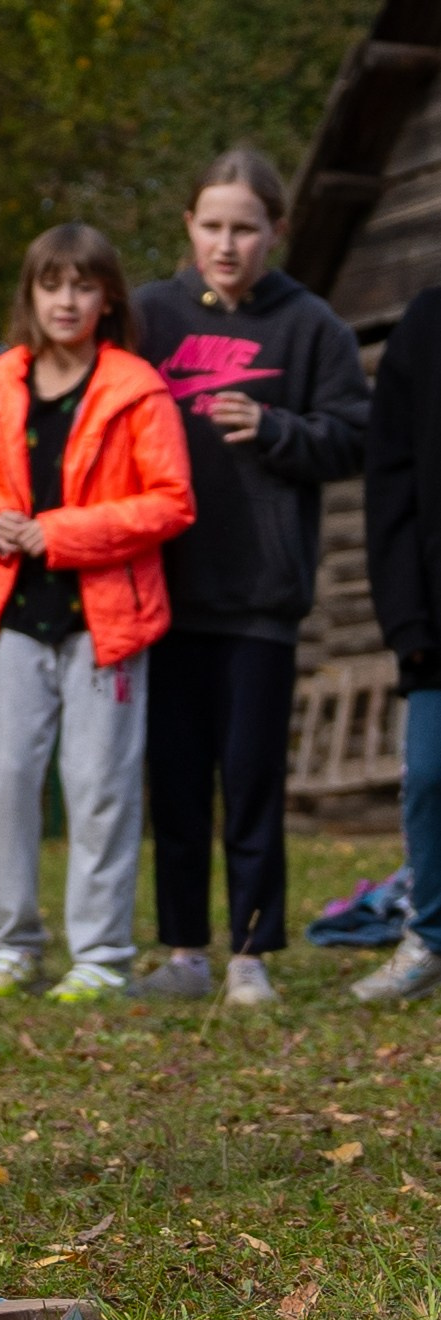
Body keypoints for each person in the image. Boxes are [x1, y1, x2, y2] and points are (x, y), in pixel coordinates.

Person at [132, 148, 369, 1006]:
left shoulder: (311, 326)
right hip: (164, 591)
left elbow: (353, 436)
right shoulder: (149, 316)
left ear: (276, 231)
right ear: (188, 228)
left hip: (262, 597)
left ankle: (250, 955)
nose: (226, 244)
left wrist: (273, 427)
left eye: (244, 227)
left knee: (252, 777)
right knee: (178, 779)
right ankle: (185, 951)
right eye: (211, 226)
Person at [0, 225, 194, 1003]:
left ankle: (98, 955)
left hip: (108, 621)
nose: (66, 300)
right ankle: (12, 946)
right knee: (9, 782)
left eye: (82, 285)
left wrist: (56, 532)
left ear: (107, 298)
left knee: (99, 785)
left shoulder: (136, 386)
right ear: (29, 294)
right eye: (50, 284)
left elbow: (170, 501)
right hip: (16, 614)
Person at [358, 284, 441, 1003]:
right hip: (433, 625)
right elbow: (390, 484)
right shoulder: (423, 323)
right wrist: (406, 620)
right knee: (428, 778)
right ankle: (429, 936)